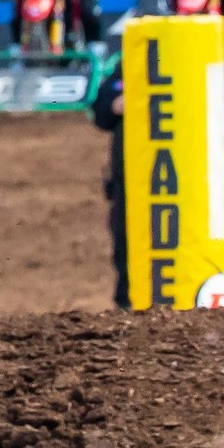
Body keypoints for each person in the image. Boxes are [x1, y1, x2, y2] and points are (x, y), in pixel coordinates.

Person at [88, 62, 131, 309]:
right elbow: (101, 111)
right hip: (126, 174)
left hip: (176, 175)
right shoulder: (127, 68)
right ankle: (125, 303)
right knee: (124, 237)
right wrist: (114, 106)